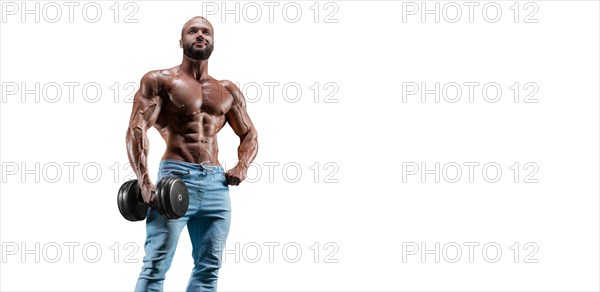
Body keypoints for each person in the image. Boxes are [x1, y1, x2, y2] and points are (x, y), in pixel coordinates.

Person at [125, 16, 258, 291]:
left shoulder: (228, 90)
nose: (200, 35)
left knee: (209, 268)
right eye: (192, 31)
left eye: (206, 32)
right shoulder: (159, 80)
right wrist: (144, 181)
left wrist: (242, 165)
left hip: (217, 185)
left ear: (213, 41)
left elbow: (249, 134)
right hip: (175, 178)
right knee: (156, 264)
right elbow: (136, 129)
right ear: (181, 41)